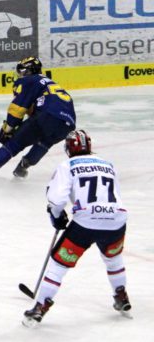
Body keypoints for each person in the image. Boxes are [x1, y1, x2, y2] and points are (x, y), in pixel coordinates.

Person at [22, 130, 131, 326]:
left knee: (58, 265)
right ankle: (121, 296)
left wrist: (56, 216)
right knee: (113, 258)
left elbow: (56, 199)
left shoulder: (67, 165)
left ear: (68, 148)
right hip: (116, 220)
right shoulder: (108, 164)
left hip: (86, 222)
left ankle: (40, 307)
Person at [0, 57, 76, 183]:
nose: (20, 75)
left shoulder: (29, 81)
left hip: (46, 116)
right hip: (68, 124)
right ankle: (22, 168)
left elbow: (17, 109)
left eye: (21, 71)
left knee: (13, 144)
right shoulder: (50, 83)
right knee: (44, 143)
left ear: (28, 71)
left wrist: (7, 130)